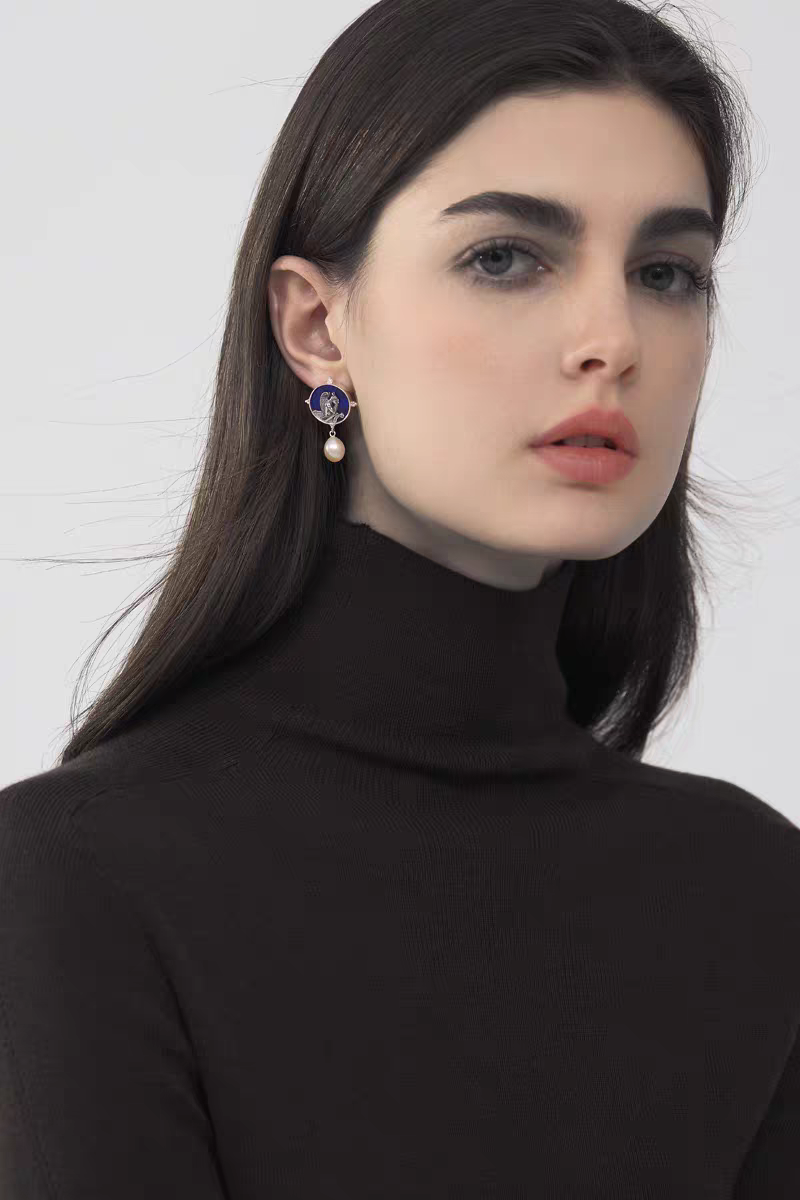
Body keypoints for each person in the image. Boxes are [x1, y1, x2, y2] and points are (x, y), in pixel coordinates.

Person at [1, 0, 798, 1195]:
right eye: (504, 257)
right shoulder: (76, 880)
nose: (612, 339)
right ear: (316, 327)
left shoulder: (752, 891)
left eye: (664, 273)